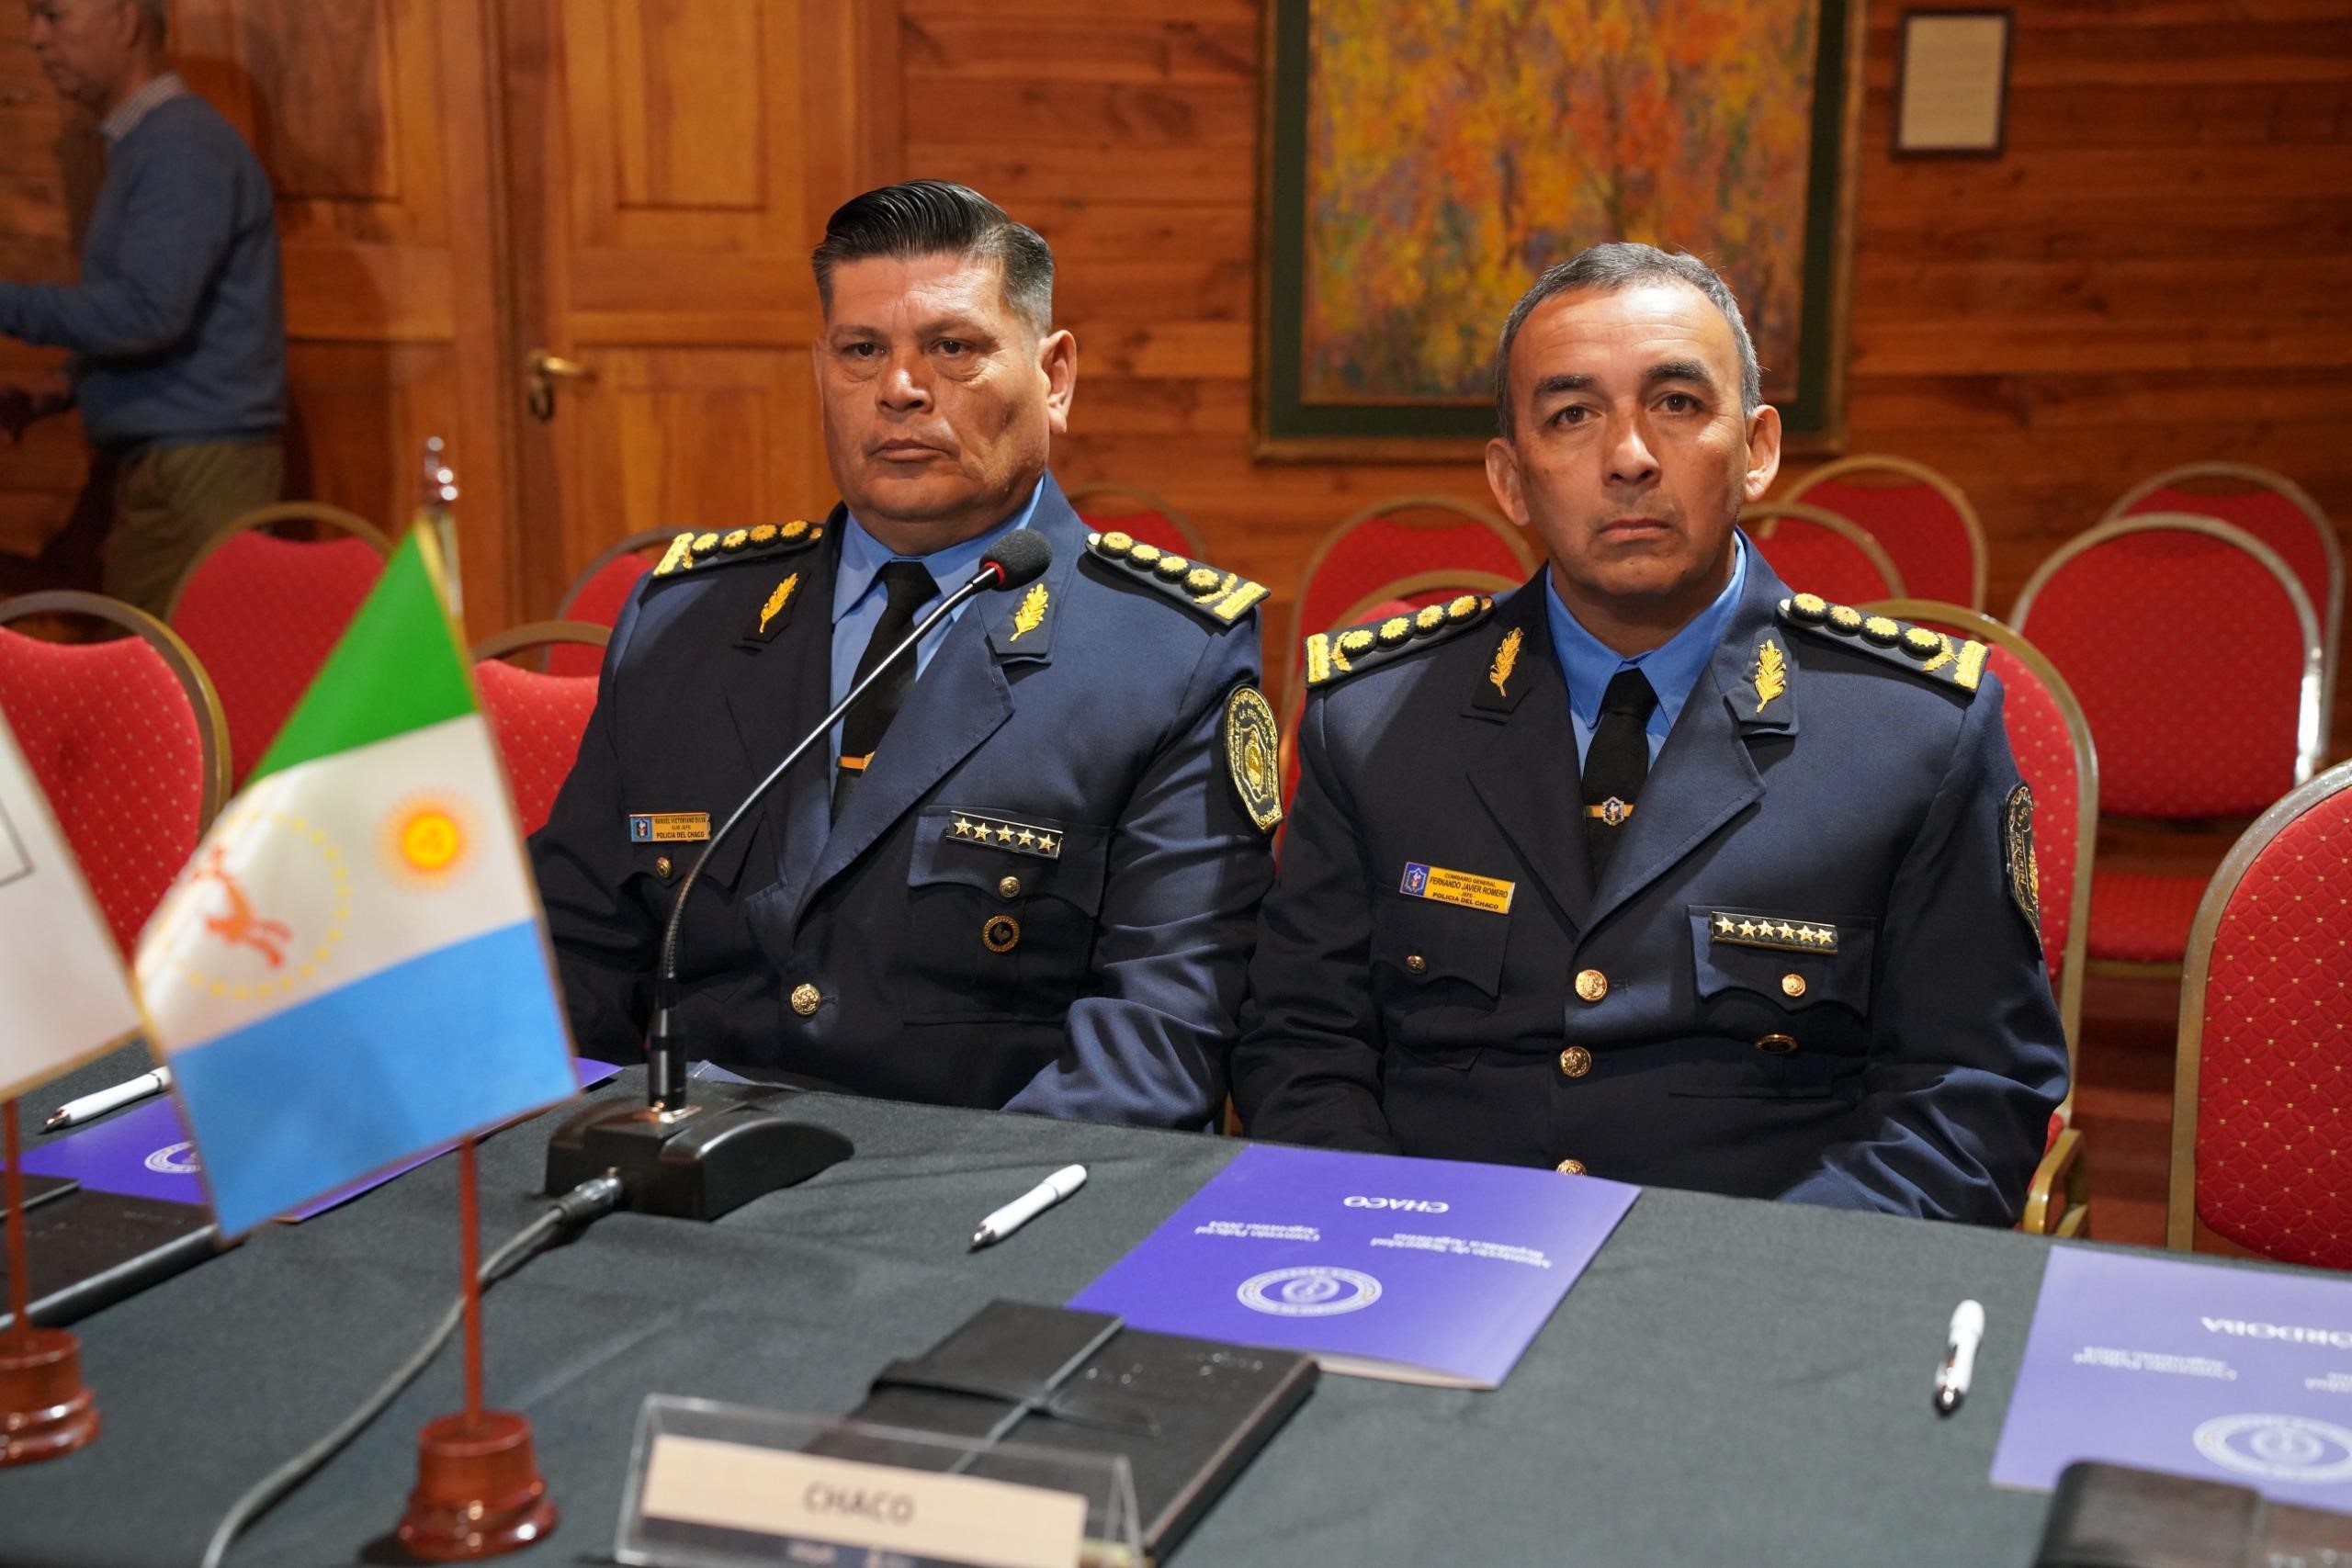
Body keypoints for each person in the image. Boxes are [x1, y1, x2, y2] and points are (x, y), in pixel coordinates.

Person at [1232, 243, 2066, 1224]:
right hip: (1424, 1264)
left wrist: (1728, 1294)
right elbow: (1301, 1045)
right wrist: (1383, 1233)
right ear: (1509, 478)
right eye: (1572, 415)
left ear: (1756, 448)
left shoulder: (1913, 733)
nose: (1628, 456)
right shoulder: (1371, 718)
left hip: (1747, 1303)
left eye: (1675, 403)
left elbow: (1966, 1104)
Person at [532, 180, 1280, 1128]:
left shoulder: (1168, 657)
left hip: (963, 1219)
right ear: (822, 371)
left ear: (1053, 379)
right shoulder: (685, 623)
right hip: (678, 1188)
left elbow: (1153, 1047)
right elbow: (574, 957)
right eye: (861, 351)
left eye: (952, 349)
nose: (898, 388)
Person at [1, 0, 285, 615]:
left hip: (195, 477)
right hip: (183, 467)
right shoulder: (152, 144)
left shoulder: (178, 147)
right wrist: (67, 383)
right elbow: (173, 307)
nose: (35, 39)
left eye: (53, 16)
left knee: (167, 686)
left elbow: (149, 313)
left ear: (126, 21)